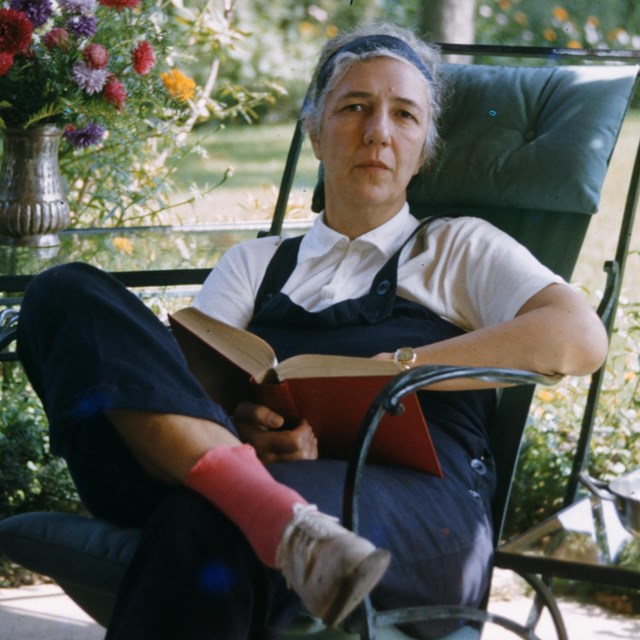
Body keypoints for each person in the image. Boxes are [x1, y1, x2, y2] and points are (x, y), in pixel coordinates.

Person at [17, 22, 608, 640]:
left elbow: (579, 335)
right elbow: (187, 388)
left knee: (208, 518)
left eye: (404, 115)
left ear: (422, 151)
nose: (378, 131)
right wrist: (239, 428)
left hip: (416, 510)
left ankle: (253, 501)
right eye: (354, 107)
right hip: (251, 475)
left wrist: (401, 367)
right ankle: (261, 500)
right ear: (315, 133)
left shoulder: (456, 246)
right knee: (63, 289)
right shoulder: (255, 262)